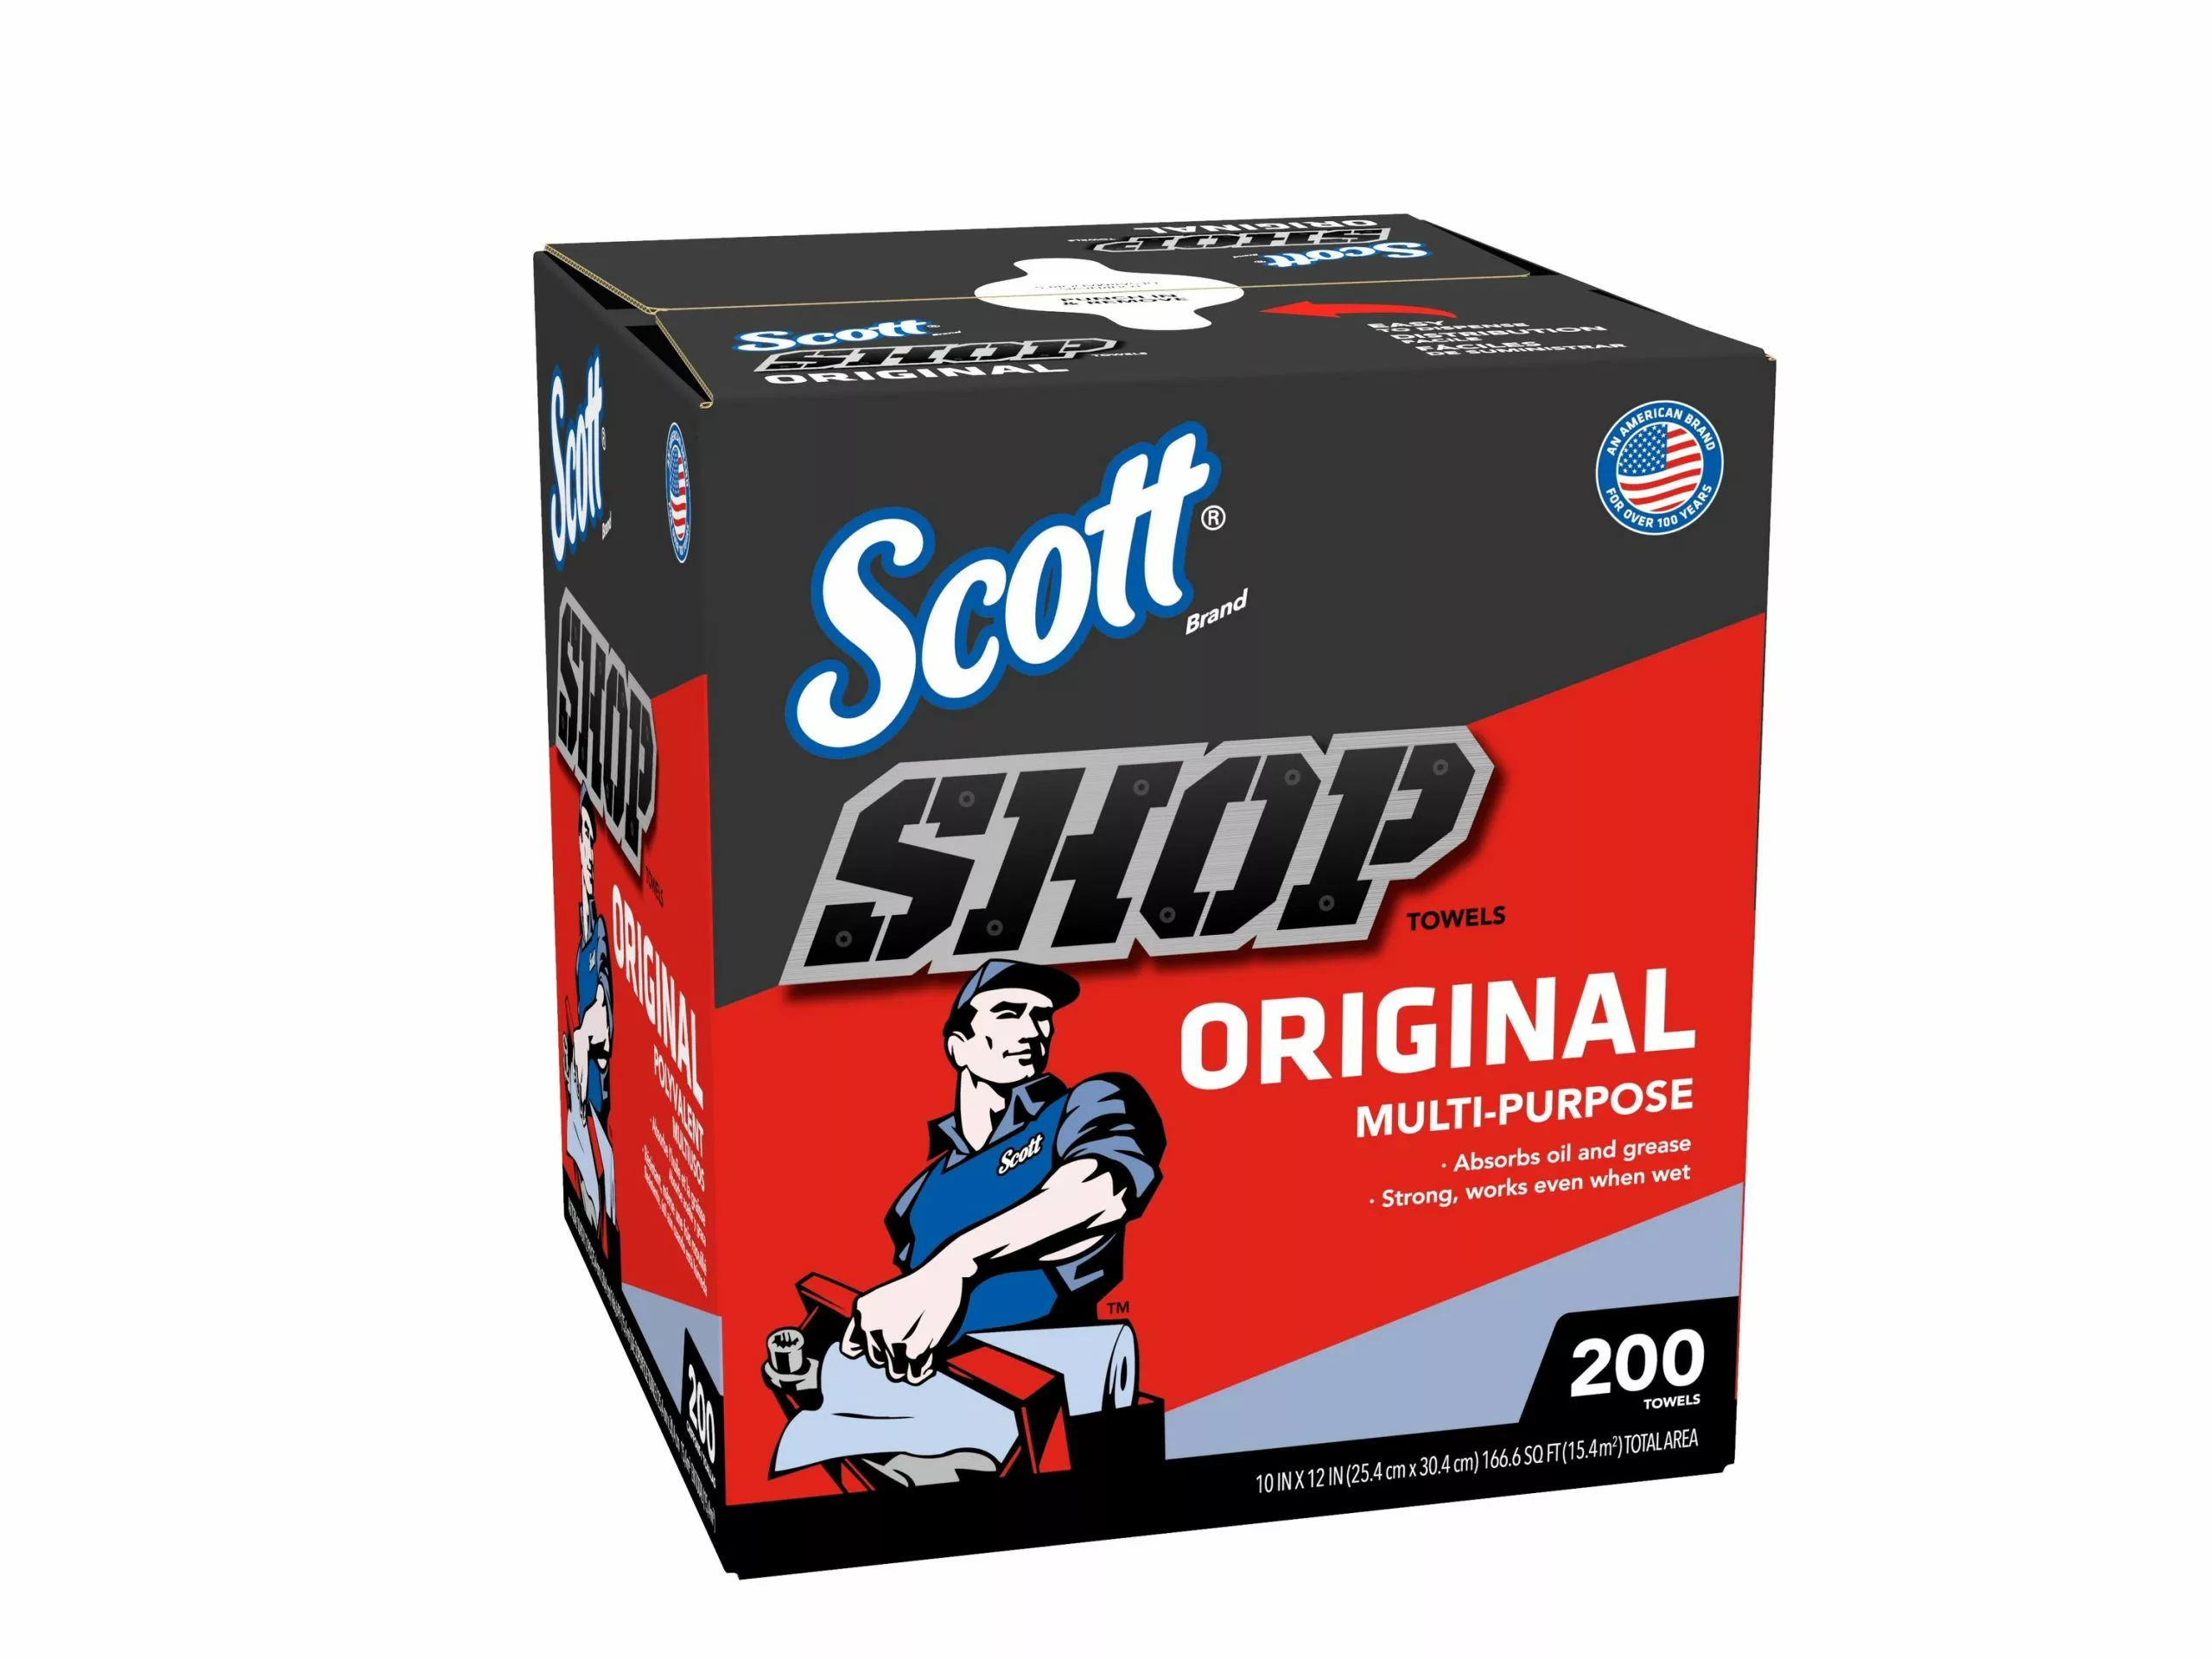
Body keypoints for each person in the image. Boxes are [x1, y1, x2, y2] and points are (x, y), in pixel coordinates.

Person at [845, 960, 1165, 1385]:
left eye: (1042, 1016)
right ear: (958, 1047)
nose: (1033, 1031)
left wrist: (955, 1263)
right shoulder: (917, 1196)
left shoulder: (1086, 1105)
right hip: (928, 1386)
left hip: (1045, 1384)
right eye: (1009, 1013)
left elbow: (1100, 1193)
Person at [563, 798, 617, 1255]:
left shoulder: (598, 934)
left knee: (604, 1199)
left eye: (591, 834)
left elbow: (602, 1008)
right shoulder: (578, 930)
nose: (588, 846)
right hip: (579, 1107)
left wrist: (587, 1033)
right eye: (582, 832)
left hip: (598, 1108)